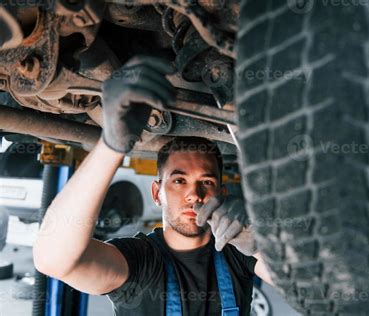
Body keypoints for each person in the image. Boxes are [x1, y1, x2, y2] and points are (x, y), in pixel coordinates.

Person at [32, 56, 272, 316]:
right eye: (179, 181)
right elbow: (53, 261)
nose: (194, 194)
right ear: (157, 193)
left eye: (206, 181)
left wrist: (262, 246)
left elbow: (316, 289)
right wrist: (112, 144)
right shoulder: (140, 260)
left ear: (222, 193)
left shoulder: (238, 252)